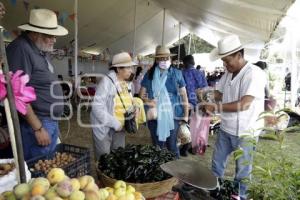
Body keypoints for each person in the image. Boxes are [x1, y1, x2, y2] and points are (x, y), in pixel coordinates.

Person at [203, 35, 266, 199]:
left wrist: (215, 107)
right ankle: (214, 191)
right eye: (223, 61)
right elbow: (219, 93)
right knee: (217, 164)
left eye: (227, 61)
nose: (225, 65)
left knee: (242, 170)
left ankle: (240, 196)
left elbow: (245, 104)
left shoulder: (253, 73)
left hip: (246, 131)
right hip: (226, 128)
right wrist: (207, 95)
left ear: (239, 55)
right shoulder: (227, 74)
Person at [6, 9, 68, 160]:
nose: (54, 40)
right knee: (37, 172)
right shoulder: (20, 49)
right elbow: (16, 92)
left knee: (47, 172)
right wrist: (38, 128)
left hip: (48, 121)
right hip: (37, 123)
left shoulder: (38, 50)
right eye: (50, 36)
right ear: (34, 33)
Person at [140, 45, 189, 157]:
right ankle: (160, 170)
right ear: (156, 60)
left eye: (166, 58)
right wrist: (149, 101)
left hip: (174, 114)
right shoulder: (149, 74)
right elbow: (141, 94)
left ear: (170, 59)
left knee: (172, 146)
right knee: (157, 146)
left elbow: (184, 95)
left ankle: (174, 173)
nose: (164, 60)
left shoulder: (177, 73)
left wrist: (186, 115)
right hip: (155, 115)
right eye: (160, 58)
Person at [91, 52, 137, 158]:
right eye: (128, 67)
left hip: (121, 128)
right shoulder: (106, 83)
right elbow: (97, 108)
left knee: (118, 157)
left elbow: (128, 100)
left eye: (131, 67)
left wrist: (135, 107)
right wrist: (115, 123)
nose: (131, 70)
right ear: (118, 69)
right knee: (104, 159)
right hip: (105, 128)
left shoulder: (126, 82)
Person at [180, 55, 207, 156]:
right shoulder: (200, 73)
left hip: (186, 104)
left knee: (186, 126)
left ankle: (184, 149)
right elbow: (205, 89)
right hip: (199, 104)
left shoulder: (183, 73)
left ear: (185, 63)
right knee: (197, 127)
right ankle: (194, 148)